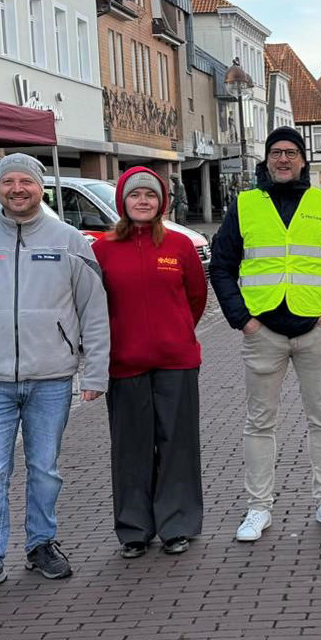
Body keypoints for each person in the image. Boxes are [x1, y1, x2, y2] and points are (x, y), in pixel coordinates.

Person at [0, 154, 110, 602]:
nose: (18, 189)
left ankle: (40, 545)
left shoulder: (70, 241)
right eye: (8, 181)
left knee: (45, 469)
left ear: (41, 189)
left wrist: (95, 370)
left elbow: (94, 312)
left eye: (26, 182)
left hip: (51, 377)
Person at [209, 127, 321, 541]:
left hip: (315, 328)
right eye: (276, 152)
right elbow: (221, 266)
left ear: (302, 160)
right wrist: (242, 318)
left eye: (291, 153)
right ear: (266, 159)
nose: (283, 160)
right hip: (264, 332)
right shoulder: (245, 205)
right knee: (259, 423)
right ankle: (258, 508)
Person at [94, 166, 208, 557]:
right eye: (135, 195)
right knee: (130, 449)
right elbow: (95, 306)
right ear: (122, 202)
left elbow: (195, 299)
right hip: (124, 364)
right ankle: (134, 530)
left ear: (162, 203)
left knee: (176, 445)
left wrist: (174, 334)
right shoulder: (102, 250)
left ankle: (177, 524)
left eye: (150, 196)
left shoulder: (180, 247)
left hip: (176, 362)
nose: (143, 201)